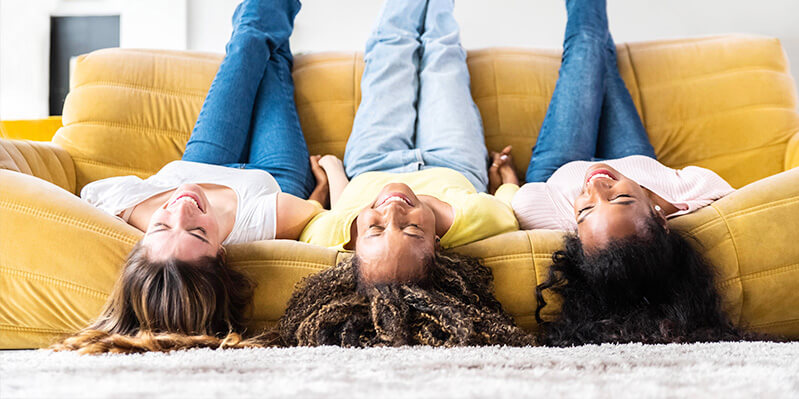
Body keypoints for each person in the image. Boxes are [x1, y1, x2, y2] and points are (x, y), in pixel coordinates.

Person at [53, 0, 326, 354]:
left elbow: (87, 196)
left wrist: (142, 215)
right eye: (197, 232)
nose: (182, 209)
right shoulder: (273, 221)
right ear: (222, 255)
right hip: (274, 176)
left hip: (203, 161)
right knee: (274, 65)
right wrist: (321, 185)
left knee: (249, 43)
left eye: (161, 227)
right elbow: (314, 211)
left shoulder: (117, 205)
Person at [486, 0, 748, 345]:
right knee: (602, 58)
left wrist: (507, 178)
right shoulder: (678, 195)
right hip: (634, 157)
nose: (595, 186)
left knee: (586, 47)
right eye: (619, 197)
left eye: (585, 211)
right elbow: (729, 197)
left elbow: (520, 200)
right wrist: (661, 199)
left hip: (558, 164)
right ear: (659, 217)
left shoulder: (547, 215)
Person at [279, 0, 531, 347]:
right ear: (437, 245)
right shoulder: (480, 222)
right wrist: (508, 176)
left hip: (372, 160)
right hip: (454, 160)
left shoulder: (328, 235)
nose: (393, 211)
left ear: (353, 247)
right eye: (412, 228)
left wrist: (332, 172)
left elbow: (334, 213)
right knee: (443, 55)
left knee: (390, 52)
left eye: (375, 228)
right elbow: (509, 209)